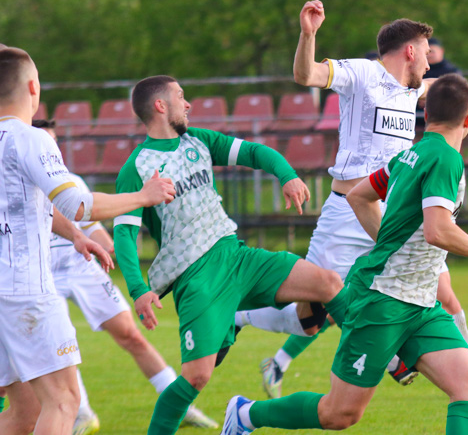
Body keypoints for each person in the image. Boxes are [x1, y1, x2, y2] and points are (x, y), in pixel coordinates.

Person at [237, 1, 468, 434]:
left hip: (393, 213)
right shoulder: (363, 74)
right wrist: (308, 34)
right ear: (408, 50)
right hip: (347, 214)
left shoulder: (413, 90)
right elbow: (307, 76)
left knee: (444, 297)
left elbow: (444, 88)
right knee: (307, 319)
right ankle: (241, 314)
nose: (429, 58)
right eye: (424, 50)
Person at [113, 75, 346, 435]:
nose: (188, 104)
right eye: (180, 96)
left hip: (238, 258)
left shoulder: (199, 141)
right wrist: (137, 288)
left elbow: (255, 152)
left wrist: (286, 175)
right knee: (196, 376)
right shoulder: (137, 168)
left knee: (329, 283)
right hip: (198, 278)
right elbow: (125, 234)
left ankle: (376, 354)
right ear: (160, 106)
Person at [0, 46, 174, 435]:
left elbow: (27, 207)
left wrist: (76, 236)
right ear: (33, 87)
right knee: (64, 401)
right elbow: (78, 203)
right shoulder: (30, 138)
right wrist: (143, 196)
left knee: (23, 413)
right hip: (25, 290)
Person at [32, 119, 219, 434]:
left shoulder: (70, 180)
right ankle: (83, 414)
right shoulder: (22, 181)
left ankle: (179, 405)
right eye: (45, 143)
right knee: (58, 348)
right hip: (41, 273)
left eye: (54, 143)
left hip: (80, 266)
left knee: (130, 335)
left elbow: (89, 219)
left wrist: (110, 245)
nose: (52, 150)